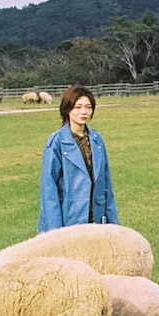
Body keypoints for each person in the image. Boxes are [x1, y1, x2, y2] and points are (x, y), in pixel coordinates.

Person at [38, 86, 118, 233]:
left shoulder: (97, 140)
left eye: (88, 107)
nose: (84, 112)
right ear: (68, 109)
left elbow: (106, 185)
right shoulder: (56, 142)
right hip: (70, 221)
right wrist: (55, 232)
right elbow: (49, 190)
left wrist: (113, 225)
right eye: (78, 107)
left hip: (97, 218)